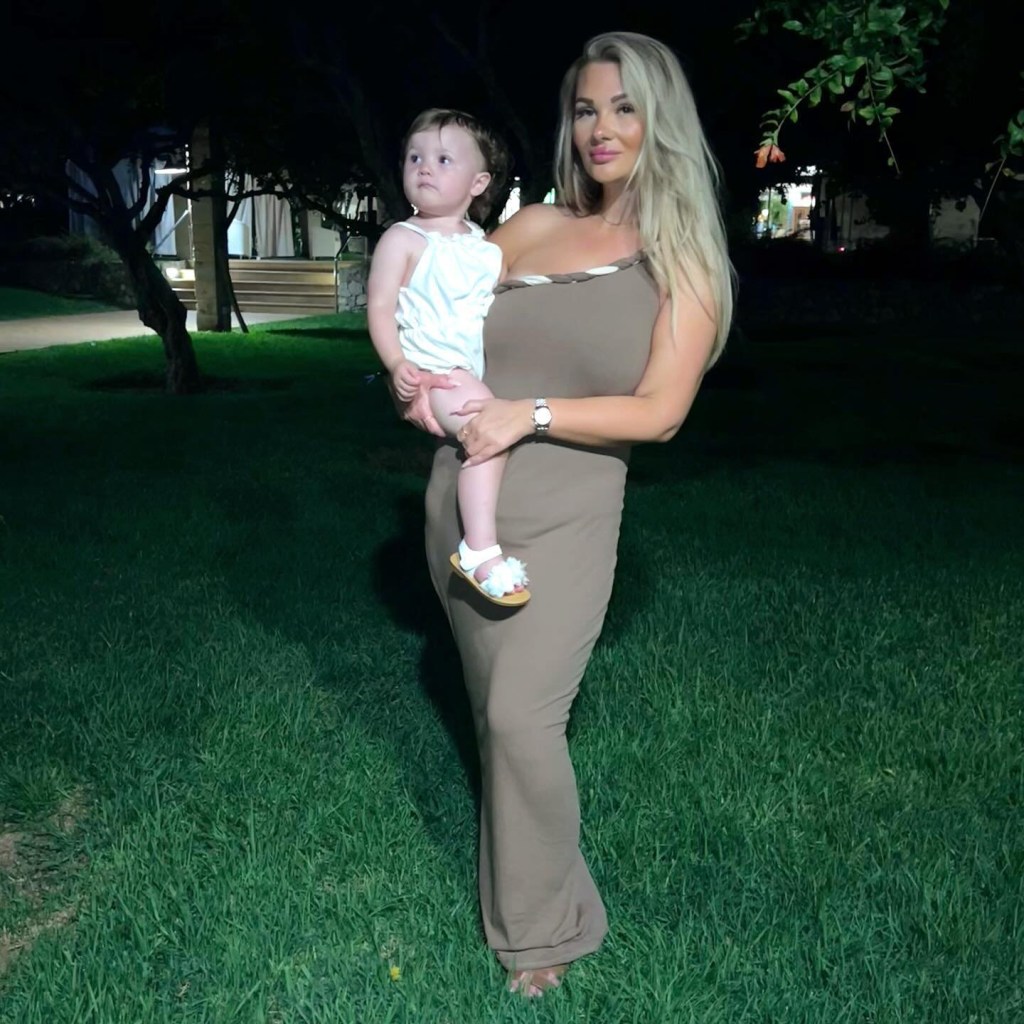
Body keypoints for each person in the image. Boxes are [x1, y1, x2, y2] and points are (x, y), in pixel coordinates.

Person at [402, 32, 734, 997]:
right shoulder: (529, 227)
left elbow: (660, 413)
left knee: (519, 716)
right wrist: (413, 384)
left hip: (573, 508)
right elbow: (440, 323)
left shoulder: (682, 261)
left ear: (658, 120)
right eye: (587, 108)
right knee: (491, 712)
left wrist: (532, 412)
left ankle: (543, 931)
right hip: (464, 502)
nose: (602, 128)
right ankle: (536, 890)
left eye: (625, 108)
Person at [367, 108, 529, 606]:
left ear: (478, 182)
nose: (424, 167)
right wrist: (397, 366)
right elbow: (379, 306)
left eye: (442, 159)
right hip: (435, 375)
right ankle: (480, 549)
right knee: (486, 429)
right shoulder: (403, 238)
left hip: (465, 371)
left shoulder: (483, 247)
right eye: (415, 157)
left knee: (487, 426)